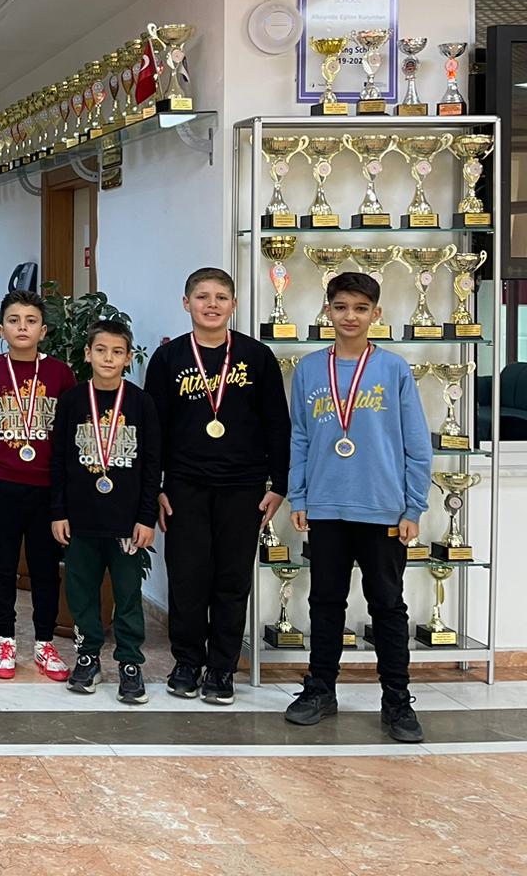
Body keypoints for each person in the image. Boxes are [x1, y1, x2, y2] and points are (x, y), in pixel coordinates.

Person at [284, 271, 430, 745]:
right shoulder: (309, 369)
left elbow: (416, 445)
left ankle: (397, 700)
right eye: (342, 306)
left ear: (376, 314)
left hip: (382, 508)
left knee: (387, 605)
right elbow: (300, 437)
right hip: (326, 507)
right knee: (325, 602)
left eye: (361, 308)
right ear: (327, 310)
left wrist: (413, 507)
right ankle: (320, 690)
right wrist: (299, 495)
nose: (350, 316)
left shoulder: (394, 369)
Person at [147, 267, 289, 705]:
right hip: (184, 485)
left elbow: (277, 423)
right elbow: (154, 430)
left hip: (243, 486)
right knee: (188, 578)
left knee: (232, 578)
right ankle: (187, 662)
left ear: (234, 305)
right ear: (186, 303)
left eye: (221, 297)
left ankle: (222, 668)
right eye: (202, 296)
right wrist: (155, 488)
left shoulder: (256, 356)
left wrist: (280, 484)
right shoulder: (168, 359)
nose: (212, 304)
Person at [51, 319, 161, 704]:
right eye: (101, 350)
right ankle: (87, 656)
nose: (108, 358)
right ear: (87, 354)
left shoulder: (141, 403)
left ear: (128, 357)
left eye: (117, 352)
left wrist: (146, 517)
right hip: (81, 519)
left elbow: (152, 466)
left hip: (126, 523)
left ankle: (130, 663)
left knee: (128, 594)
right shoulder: (72, 402)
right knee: (81, 592)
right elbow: (59, 462)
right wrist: (58, 511)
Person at [0, 289, 76, 681]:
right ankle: (5, 638)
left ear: (43, 330)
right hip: (0, 484)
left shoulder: (60, 374)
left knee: (46, 568)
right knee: (0, 566)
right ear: (1, 329)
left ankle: (44, 642)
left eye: (31, 321)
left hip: (47, 488)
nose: (22, 328)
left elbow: (69, 437)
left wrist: (66, 497)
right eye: (13, 320)